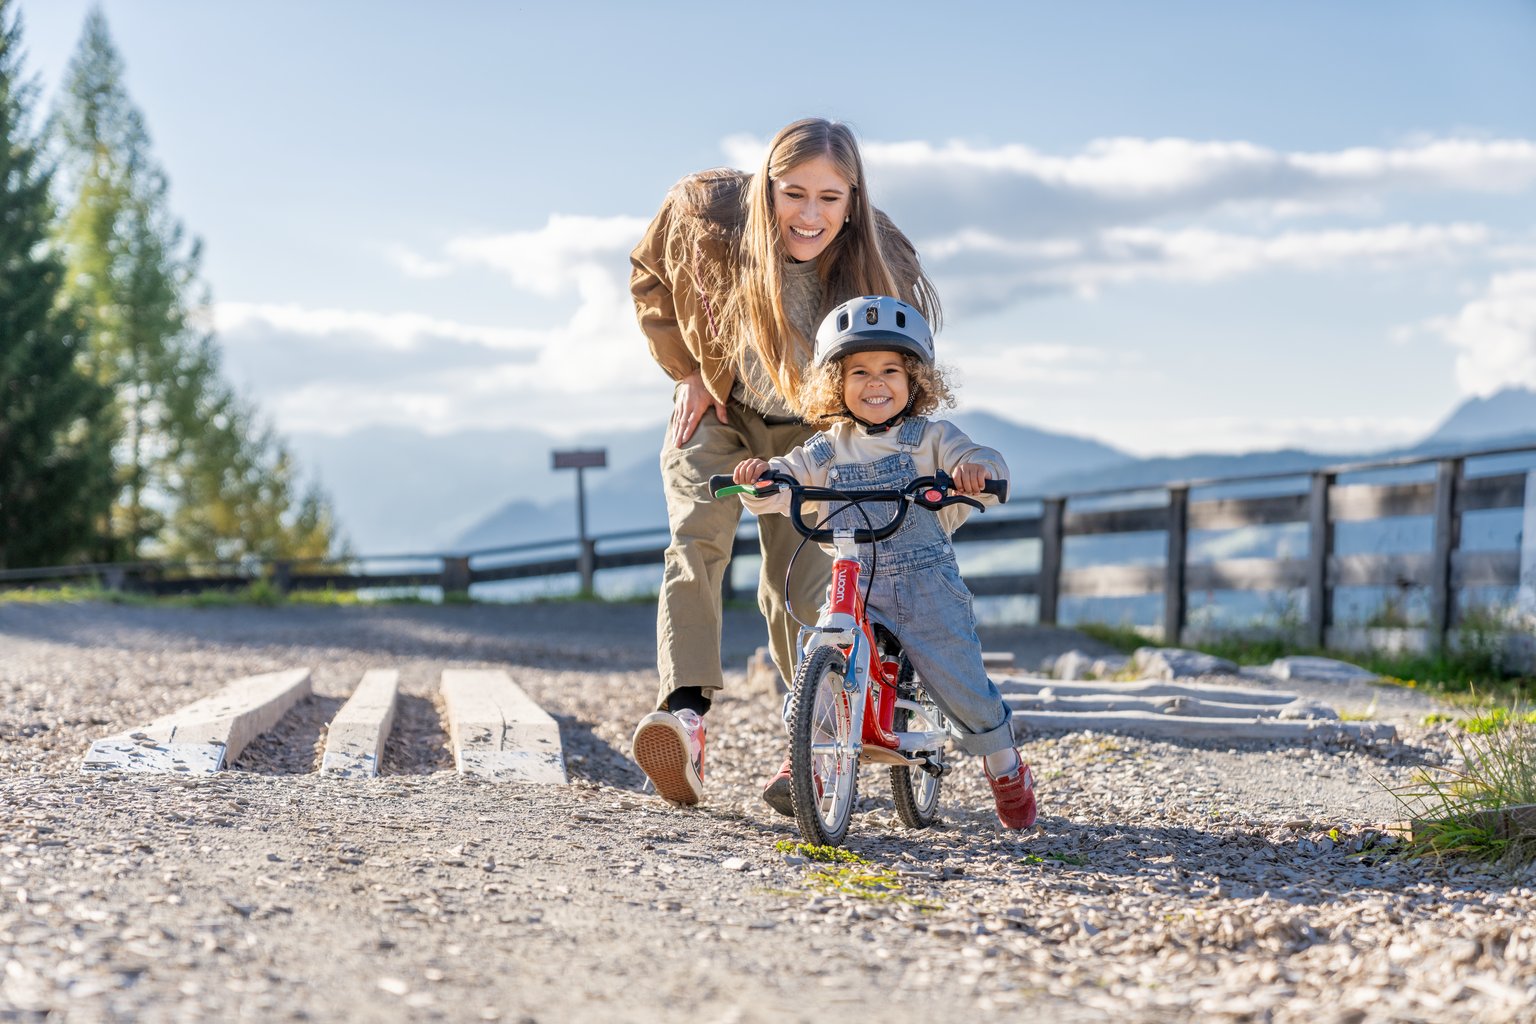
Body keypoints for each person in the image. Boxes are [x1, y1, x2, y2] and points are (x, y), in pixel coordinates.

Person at [628, 118, 941, 807]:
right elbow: (649, 272)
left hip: (811, 429)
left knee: (798, 582)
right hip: (717, 410)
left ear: (854, 198)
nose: (809, 214)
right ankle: (683, 718)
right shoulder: (705, 216)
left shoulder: (883, 258)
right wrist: (686, 371)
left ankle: (811, 740)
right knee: (696, 540)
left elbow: (902, 365)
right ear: (767, 185)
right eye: (792, 193)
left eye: (830, 198)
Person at [731, 295, 1037, 829]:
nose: (876, 383)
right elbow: (779, 486)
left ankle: (1004, 763)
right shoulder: (825, 452)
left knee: (958, 677)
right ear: (836, 384)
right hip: (853, 581)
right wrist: (761, 480)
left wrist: (972, 473)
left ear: (915, 379)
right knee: (820, 649)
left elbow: (984, 461)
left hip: (925, 587)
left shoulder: (930, 439)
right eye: (859, 372)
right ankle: (807, 761)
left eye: (891, 370)